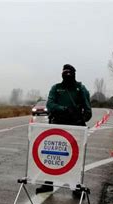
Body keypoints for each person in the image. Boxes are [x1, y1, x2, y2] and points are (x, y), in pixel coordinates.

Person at [36, 64, 92, 195]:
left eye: (69, 73)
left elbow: (88, 110)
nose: (67, 75)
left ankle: (76, 186)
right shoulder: (56, 88)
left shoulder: (80, 89)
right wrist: (64, 110)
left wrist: (80, 119)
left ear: (74, 74)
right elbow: (50, 105)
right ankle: (48, 183)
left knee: (74, 156)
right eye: (64, 73)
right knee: (52, 155)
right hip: (57, 126)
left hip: (75, 127)